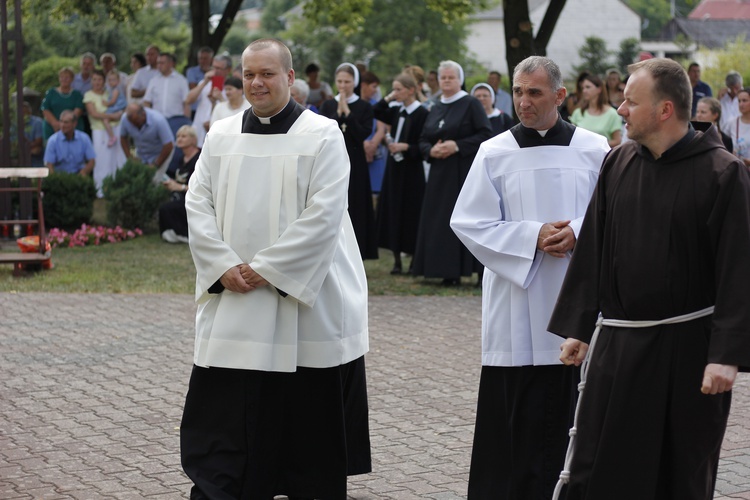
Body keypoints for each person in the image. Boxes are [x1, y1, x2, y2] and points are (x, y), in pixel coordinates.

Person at [549, 57, 750, 500]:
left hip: (689, 352)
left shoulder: (722, 173)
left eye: (630, 101)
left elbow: (739, 269)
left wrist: (726, 355)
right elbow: (595, 247)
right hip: (619, 347)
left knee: (679, 471)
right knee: (601, 464)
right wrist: (578, 326)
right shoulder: (617, 163)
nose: (621, 109)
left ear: (664, 110)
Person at [180, 38, 371, 499]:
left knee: (308, 432)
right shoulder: (222, 134)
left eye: (267, 74)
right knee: (228, 429)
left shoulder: (323, 135)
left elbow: (325, 215)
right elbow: (197, 201)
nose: (257, 83)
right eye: (249, 74)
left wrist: (266, 270)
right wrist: (223, 264)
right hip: (236, 304)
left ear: (289, 78)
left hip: (305, 307)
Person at [450, 56, 609, 500]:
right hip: (516, 301)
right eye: (519, 91)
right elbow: (468, 222)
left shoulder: (595, 149)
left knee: (571, 408)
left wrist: (577, 231)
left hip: (576, 301)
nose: (523, 101)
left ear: (560, 96)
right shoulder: (494, 151)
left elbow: (614, 213)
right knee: (516, 416)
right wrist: (531, 236)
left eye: (534, 92)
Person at [413, 60, 493, 286]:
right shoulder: (436, 106)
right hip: (439, 173)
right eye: (443, 78)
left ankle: (473, 272)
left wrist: (456, 146)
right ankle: (447, 271)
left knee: (466, 218)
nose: (446, 81)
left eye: (451, 77)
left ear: (460, 80)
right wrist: (432, 150)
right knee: (440, 221)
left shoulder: (470, 103)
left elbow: (485, 134)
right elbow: (422, 139)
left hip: (462, 172)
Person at [319, 63, 379, 260]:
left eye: (347, 81)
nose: (343, 86)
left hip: (356, 161)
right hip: (332, 161)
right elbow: (325, 131)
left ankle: (358, 253)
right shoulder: (328, 105)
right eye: (339, 81)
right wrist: (339, 112)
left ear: (356, 82)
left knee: (356, 204)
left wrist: (348, 113)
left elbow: (362, 133)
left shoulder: (364, 106)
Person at [373, 72, 429, 274]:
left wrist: (406, 147)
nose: (395, 93)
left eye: (398, 89)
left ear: (411, 90)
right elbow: (377, 110)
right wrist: (389, 97)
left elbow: (424, 144)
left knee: (411, 212)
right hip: (395, 169)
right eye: (393, 89)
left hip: (412, 170)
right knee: (393, 210)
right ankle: (396, 260)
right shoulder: (396, 110)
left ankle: (414, 260)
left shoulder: (422, 113)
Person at [83, 70, 127, 196]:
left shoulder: (110, 93)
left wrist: (117, 115)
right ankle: (101, 190)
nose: (97, 82)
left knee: (117, 159)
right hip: (99, 130)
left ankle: (117, 188)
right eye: (94, 79)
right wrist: (111, 116)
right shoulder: (89, 95)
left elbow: (120, 107)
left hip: (115, 129)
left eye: (100, 80)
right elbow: (94, 113)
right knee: (101, 160)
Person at [159, 125, 200, 244]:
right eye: (177, 136)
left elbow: (203, 186)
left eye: (183, 136)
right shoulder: (180, 158)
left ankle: (184, 235)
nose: (179, 139)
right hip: (180, 196)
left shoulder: (200, 158)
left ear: (193, 139)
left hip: (195, 198)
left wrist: (180, 187)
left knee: (168, 208)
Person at [185, 54, 232, 147]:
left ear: (228, 70)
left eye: (219, 68)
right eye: (213, 67)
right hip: (198, 134)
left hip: (219, 136)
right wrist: (205, 81)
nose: (215, 71)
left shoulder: (232, 87)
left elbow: (233, 111)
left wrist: (220, 98)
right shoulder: (204, 83)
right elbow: (188, 100)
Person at [143, 52, 191, 136]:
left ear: (170, 64)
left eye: (162, 63)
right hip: (157, 120)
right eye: (158, 63)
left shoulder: (181, 80)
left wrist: (186, 122)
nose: (159, 65)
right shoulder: (153, 81)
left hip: (176, 120)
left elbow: (186, 102)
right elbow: (147, 102)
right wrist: (148, 119)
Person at [120, 103, 174, 178]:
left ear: (143, 114)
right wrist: (129, 157)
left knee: (156, 180)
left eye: (137, 122)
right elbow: (123, 138)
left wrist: (156, 164)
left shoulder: (158, 120)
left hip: (160, 154)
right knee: (139, 180)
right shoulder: (125, 119)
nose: (135, 125)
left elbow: (169, 145)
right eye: (132, 123)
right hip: (142, 155)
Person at [570, 74, 622, 148]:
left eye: (588, 87)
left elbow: (617, 141)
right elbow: (571, 138)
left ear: (599, 89)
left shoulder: (612, 114)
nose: (584, 91)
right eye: (583, 88)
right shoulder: (578, 113)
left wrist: (596, 145)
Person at [43, 110, 95, 176]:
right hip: (60, 176)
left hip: (79, 176)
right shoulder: (53, 140)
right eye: (61, 121)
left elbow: (92, 161)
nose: (62, 125)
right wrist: (55, 179)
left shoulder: (84, 138)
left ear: (74, 124)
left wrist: (83, 173)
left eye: (66, 122)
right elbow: (49, 164)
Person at [361, 71, 387, 195]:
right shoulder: (355, 105)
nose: (375, 91)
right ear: (364, 85)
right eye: (374, 86)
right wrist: (363, 144)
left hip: (375, 155)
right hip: (359, 153)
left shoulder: (376, 105)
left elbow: (381, 128)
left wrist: (372, 145)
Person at [40, 67, 85, 141]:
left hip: (72, 130)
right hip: (52, 129)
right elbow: (45, 108)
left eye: (67, 77)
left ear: (72, 79)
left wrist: (66, 124)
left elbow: (78, 111)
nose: (64, 79)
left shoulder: (77, 95)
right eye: (62, 77)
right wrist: (56, 124)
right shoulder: (51, 92)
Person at [185, 46, 214, 117]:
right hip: (195, 108)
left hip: (211, 107)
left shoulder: (216, 72)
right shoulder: (191, 71)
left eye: (205, 58)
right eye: (200, 58)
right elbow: (193, 88)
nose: (202, 61)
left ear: (211, 59)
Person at [102, 70, 128, 146]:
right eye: (109, 80)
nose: (111, 82)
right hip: (116, 108)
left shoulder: (116, 90)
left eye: (113, 80)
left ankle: (112, 136)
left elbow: (113, 101)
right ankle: (112, 136)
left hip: (116, 108)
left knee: (105, 119)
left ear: (118, 81)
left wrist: (106, 104)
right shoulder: (111, 89)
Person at [731, 87, 750, 167]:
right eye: (739, 101)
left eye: (744, 101)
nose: (741, 104)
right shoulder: (732, 123)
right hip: (739, 172)